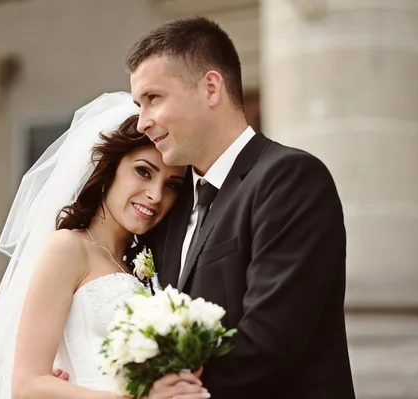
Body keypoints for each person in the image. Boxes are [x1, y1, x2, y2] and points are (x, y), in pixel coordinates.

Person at [127, 16, 357, 399]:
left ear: (211, 88)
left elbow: (270, 345)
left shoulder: (290, 179)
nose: (141, 123)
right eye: (139, 104)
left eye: (153, 98)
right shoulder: (170, 205)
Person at [0, 93, 210, 399]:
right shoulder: (68, 248)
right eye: (143, 172)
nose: (156, 195)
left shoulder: (146, 267)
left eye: (171, 185)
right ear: (109, 171)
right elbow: (27, 385)